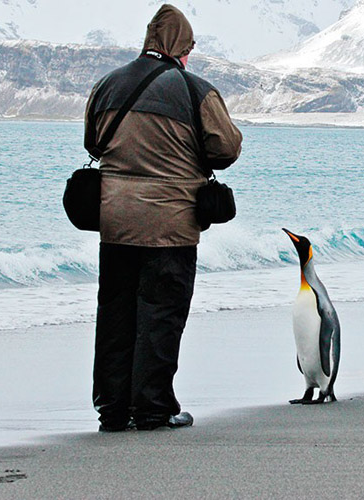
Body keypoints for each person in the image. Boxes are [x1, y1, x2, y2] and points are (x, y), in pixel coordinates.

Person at [84, 4, 242, 431]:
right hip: (171, 227)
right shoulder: (196, 91)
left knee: (115, 315)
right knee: (160, 314)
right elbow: (226, 149)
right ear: (181, 48)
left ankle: (112, 410)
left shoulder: (107, 85)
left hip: (115, 223)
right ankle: (153, 408)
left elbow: (93, 143)